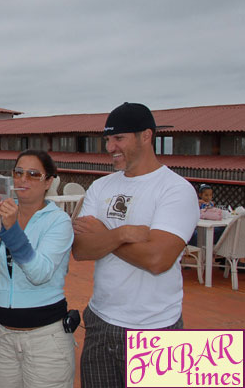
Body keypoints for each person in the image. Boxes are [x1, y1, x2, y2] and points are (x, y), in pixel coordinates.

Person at [72, 102, 199, 388]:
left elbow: (158, 260)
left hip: (156, 328)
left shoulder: (175, 189)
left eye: (118, 138)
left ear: (146, 135)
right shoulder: (101, 187)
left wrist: (102, 235)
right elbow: (80, 250)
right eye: (107, 140)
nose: (109, 147)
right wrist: (122, 233)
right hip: (100, 323)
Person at [0, 149, 75, 388]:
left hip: (45, 338)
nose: (23, 180)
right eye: (18, 173)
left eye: (33, 174)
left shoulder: (58, 221)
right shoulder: (2, 213)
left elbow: (39, 273)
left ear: (49, 181)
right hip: (2, 336)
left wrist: (11, 230)